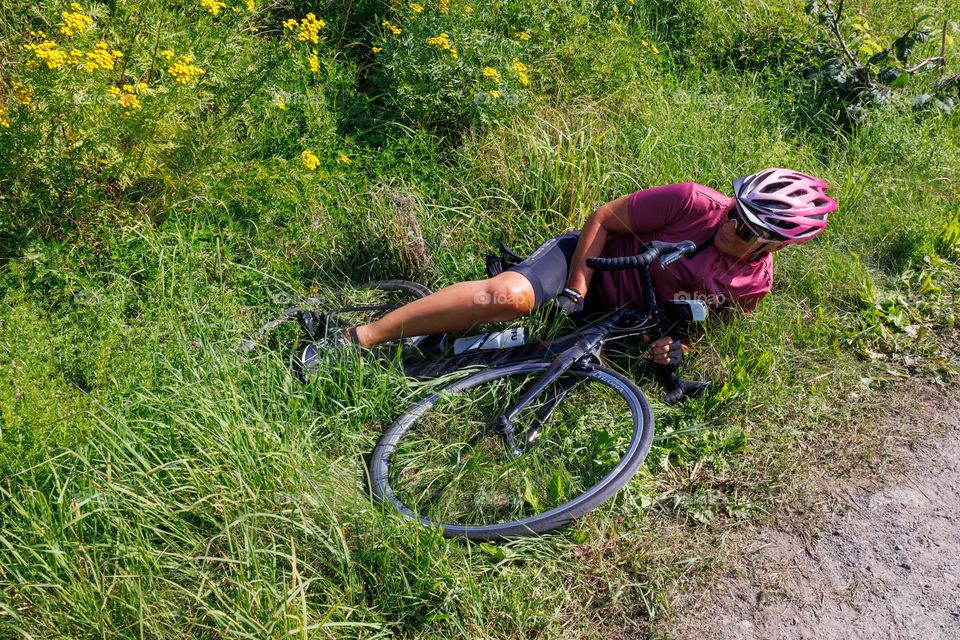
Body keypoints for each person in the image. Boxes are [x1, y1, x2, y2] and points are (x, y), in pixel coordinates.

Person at [304, 168, 837, 368]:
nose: (728, 227)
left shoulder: (752, 285)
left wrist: (677, 349)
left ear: (776, 247)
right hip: (586, 266)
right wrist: (578, 285)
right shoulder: (694, 203)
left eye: (746, 231)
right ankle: (356, 338)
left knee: (544, 371)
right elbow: (603, 218)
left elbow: (701, 329)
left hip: (621, 322)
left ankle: (446, 347)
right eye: (734, 212)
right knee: (509, 298)